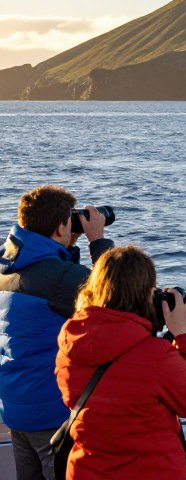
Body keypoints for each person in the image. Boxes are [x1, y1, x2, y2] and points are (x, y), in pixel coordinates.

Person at [55, 245, 186, 479]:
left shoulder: (71, 340)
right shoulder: (156, 356)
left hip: (88, 470)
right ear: (144, 294)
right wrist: (183, 336)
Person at [0, 185, 115, 480]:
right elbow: (118, 303)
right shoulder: (61, 278)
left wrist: (65, 245)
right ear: (60, 225)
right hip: (52, 414)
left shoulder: (7, 268)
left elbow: (55, 294)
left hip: (16, 410)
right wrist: (97, 241)